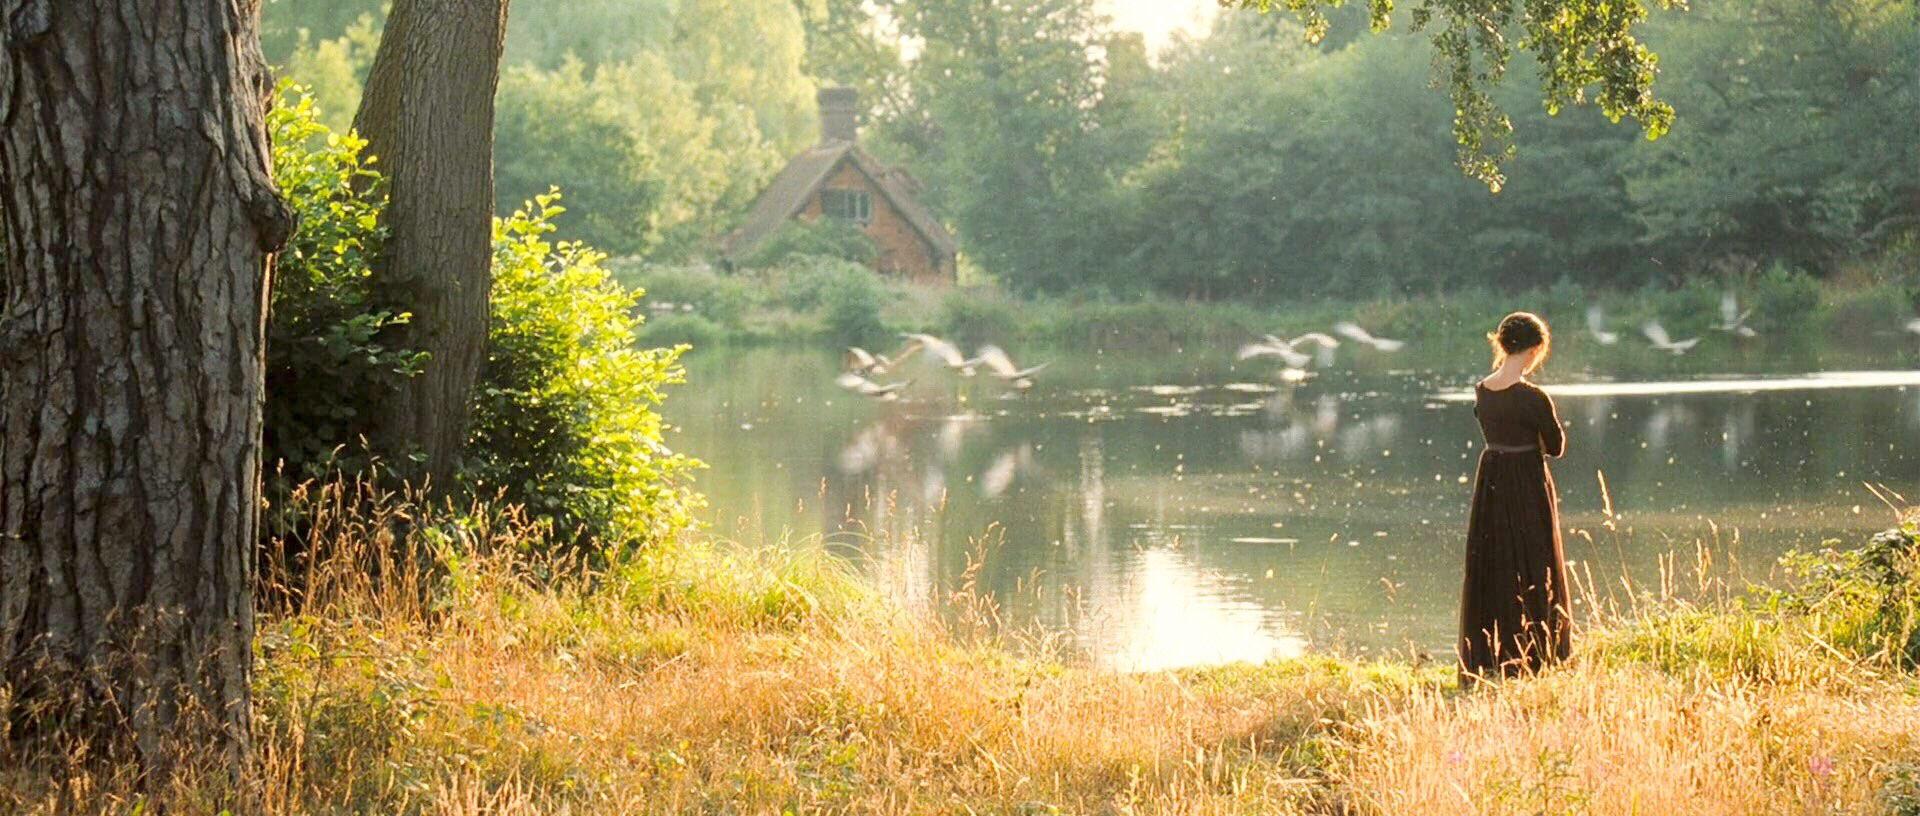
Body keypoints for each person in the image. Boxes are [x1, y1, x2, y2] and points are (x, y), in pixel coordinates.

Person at [1459, 311, 1570, 686]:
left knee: (1496, 562)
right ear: (1536, 348)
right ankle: (1538, 652)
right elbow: (1555, 447)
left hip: (1492, 478)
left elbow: (1494, 427)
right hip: (1526, 480)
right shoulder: (1534, 397)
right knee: (1534, 562)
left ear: (1503, 345)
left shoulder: (1482, 391)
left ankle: (1492, 655)